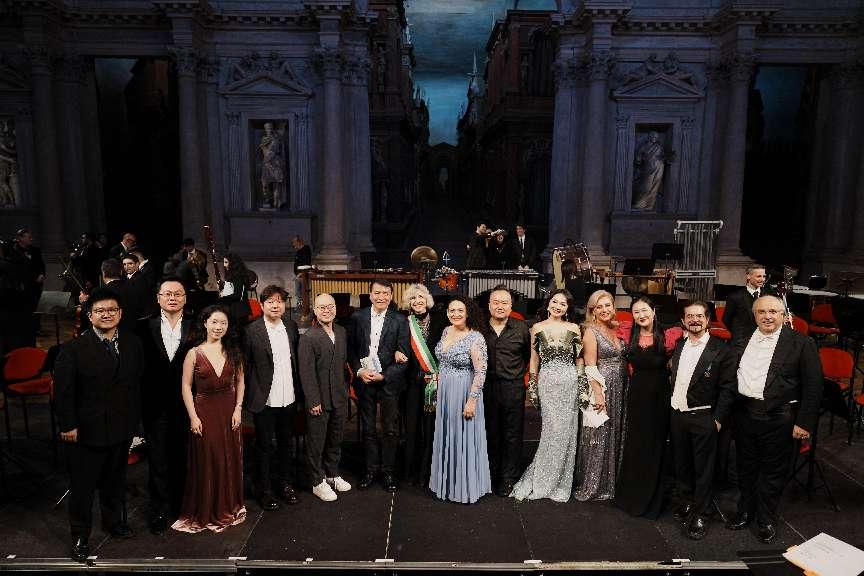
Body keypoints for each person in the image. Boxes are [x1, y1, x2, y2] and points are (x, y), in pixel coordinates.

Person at [54, 287, 144, 561]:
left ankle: (113, 522)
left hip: (121, 426)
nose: (107, 315)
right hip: (85, 430)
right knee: (82, 487)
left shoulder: (132, 343)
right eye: (100, 311)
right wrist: (68, 425)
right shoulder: (72, 349)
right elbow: (64, 392)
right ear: (89, 315)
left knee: (115, 481)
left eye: (112, 310)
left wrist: (136, 425)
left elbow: (136, 386)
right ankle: (80, 536)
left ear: (121, 313)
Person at [726, 295, 822, 544]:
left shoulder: (802, 343)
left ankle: (766, 519)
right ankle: (745, 511)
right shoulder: (742, 338)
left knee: (773, 472)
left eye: (773, 312)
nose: (767, 316)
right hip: (744, 414)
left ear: (783, 315)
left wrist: (804, 423)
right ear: (754, 315)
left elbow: (814, 386)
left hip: (779, 418)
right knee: (745, 467)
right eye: (761, 312)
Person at [172, 306, 246, 533]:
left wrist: (238, 409)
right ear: (205, 323)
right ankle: (207, 509)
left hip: (229, 410)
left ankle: (227, 506)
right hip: (204, 411)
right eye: (214, 322)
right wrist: (193, 416)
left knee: (229, 457)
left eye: (223, 323)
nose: (218, 327)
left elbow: (241, 382)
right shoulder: (194, 353)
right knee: (209, 458)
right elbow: (186, 386)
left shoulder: (234, 351)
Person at [666, 301, 736, 539]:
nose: (694, 320)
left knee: (704, 470)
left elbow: (728, 389)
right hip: (677, 414)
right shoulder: (679, 344)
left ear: (707, 320)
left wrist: (717, 420)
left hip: (704, 417)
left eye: (699, 316)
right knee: (682, 464)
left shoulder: (722, 350)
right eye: (689, 316)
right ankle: (687, 501)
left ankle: (702, 513)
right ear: (683, 321)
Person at [511, 289, 583, 502]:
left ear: (568, 308)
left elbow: (579, 359)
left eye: (563, 304)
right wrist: (533, 386)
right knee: (552, 430)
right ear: (548, 303)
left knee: (567, 431)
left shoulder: (574, 328)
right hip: (548, 382)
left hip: (569, 381)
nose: (558, 306)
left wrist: (581, 384)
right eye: (555, 302)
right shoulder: (537, 327)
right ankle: (543, 479)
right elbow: (534, 360)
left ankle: (560, 481)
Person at [615, 296, 681, 518]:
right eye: (636, 312)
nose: (641, 315)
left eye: (644, 310)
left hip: (660, 397)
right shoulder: (627, 333)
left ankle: (653, 496)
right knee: (636, 443)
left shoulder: (669, 335)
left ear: (653, 311)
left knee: (655, 443)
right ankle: (631, 496)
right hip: (636, 395)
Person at [139, 277, 193, 534]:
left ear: (185, 298)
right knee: (157, 459)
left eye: (178, 294)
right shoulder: (143, 327)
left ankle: (181, 505)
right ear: (158, 297)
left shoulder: (196, 327)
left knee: (183, 456)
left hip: (186, 405)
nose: (172, 298)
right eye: (167, 294)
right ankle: (158, 509)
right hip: (155, 404)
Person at [243, 285, 301, 511]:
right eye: (270, 302)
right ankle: (264, 490)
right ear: (262, 304)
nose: (275, 306)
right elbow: (246, 365)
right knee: (265, 446)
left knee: (286, 444)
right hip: (265, 398)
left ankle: (284, 484)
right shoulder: (252, 330)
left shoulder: (291, 326)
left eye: (280, 301)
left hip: (289, 396)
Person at [348, 279, 409, 492]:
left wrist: (384, 376)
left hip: (388, 382)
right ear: (370, 295)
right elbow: (351, 350)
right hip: (365, 381)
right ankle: (370, 470)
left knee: (390, 430)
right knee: (368, 429)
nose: (381, 297)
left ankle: (388, 471)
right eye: (377, 293)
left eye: (385, 293)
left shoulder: (400, 320)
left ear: (391, 296)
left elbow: (404, 356)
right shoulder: (358, 317)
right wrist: (359, 371)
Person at [429, 295, 491, 503]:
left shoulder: (476, 337)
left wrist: (472, 401)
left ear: (468, 313)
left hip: (464, 391)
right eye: (451, 310)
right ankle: (447, 484)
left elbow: (481, 372)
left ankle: (464, 488)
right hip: (445, 391)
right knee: (448, 434)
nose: (455, 314)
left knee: (462, 436)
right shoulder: (447, 331)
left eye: (460, 310)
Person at [573, 289, 627, 501]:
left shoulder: (615, 328)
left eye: (607, 305)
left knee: (614, 430)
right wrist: (598, 395)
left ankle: (611, 481)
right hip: (603, 387)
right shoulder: (590, 331)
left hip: (620, 385)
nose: (604, 309)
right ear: (592, 311)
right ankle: (595, 483)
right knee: (600, 432)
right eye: (599, 307)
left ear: (613, 307)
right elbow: (590, 365)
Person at [300, 293, 351, 502]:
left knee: (335, 439)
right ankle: (316, 481)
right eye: (322, 307)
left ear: (335, 309)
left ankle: (332, 474)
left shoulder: (341, 332)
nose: (326, 310)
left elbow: (344, 364)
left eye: (330, 306)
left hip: (339, 397)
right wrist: (313, 401)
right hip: (319, 400)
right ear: (315, 310)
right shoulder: (308, 337)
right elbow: (306, 372)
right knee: (316, 443)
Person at [483, 286, 531, 496]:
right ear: (489, 305)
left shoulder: (521, 328)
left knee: (512, 434)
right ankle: (491, 475)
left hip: (513, 387)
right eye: (496, 302)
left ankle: (509, 478)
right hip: (487, 387)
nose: (500, 306)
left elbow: (527, 357)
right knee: (490, 432)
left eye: (504, 303)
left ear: (511, 306)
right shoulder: (480, 327)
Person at [400, 283, 447, 486]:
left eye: (420, 297)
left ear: (427, 300)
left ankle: (427, 472)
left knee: (430, 429)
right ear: (408, 303)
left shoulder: (442, 320)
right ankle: (409, 471)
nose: (417, 301)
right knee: (411, 428)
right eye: (413, 298)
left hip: (434, 383)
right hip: (411, 384)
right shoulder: (404, 323)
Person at [6, 228, 45, 348]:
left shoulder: (35, 250)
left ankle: (35, 329)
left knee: (35, 307)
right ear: (20, 238)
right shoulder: (12, 251)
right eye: (28, 237)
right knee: (24, 312)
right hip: (22, 288)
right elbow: (17, 270)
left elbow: (41, 265)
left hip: (35, 286)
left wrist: (42, 275)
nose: (31, 239)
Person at [723, 264, 767, 345]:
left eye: (764, 276)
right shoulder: (734, 297)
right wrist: (738, 334)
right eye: (759, 276)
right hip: (741, 342)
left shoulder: (769, 296)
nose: (762, 279)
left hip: (765, 340)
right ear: (748, 276)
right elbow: (726, 319)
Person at [292, 235, 312, 309]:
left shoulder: (306, 249)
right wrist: (297, 274)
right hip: (298, 275)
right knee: (298, 292)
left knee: (304, 291)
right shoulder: (298, 251)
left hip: (303, 274)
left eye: (294, 242)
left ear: (299, 242)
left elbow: (307, 263)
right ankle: (300, 305)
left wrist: (301, 273)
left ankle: (305, 306)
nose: (293, 244)